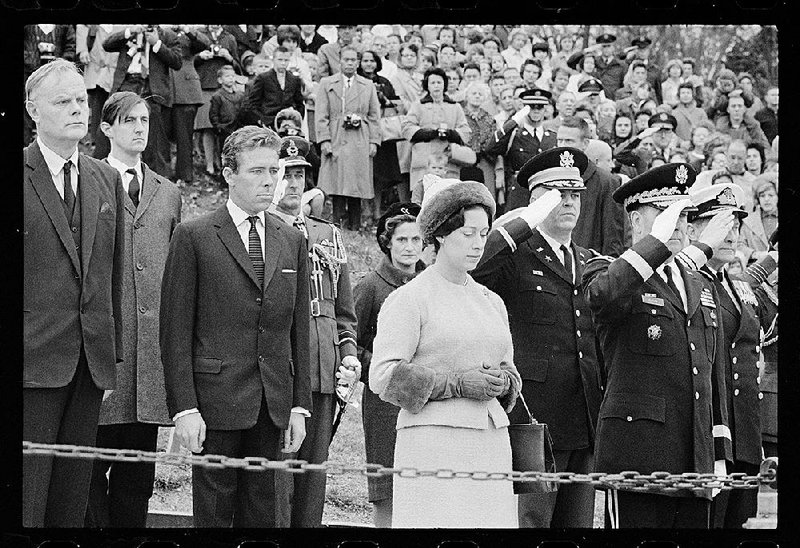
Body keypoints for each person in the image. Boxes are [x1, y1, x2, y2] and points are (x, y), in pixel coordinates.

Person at [159, 126, 312, 527]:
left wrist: (298, 405)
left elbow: (298, 329)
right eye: (257, 171)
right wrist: (185, 409)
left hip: (272, 404)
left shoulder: (291, 239)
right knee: (212, 517)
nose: (269, 181)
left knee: (263, 516)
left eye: (273, 171)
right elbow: (174, 331)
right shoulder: (194, 236)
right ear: (228, 173)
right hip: (214, 403)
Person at [582, 163, 734, 528]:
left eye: (683, 215)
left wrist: (717, 453)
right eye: (666, 214)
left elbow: (710, 375)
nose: (678, 224)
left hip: (693, 458)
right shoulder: (609, 269)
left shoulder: (697, 283)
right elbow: (601, 296)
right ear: (636, 222)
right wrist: (655, 244)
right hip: (639, 454)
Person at [369, 181, 522, 528]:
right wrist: (455, 385)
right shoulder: (411, 298)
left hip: (491, 442)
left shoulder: (491, 301)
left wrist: (504, 382)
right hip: (433, 444)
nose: (478, 243)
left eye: (483, 233)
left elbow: (509, 367)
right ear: (440, 234)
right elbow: (383, 377)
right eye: (468, 233)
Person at [472, 148, 603, 528]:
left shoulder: (585, 258)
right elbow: (476, 268)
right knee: (530, 521)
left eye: (575, 194)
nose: (569, 202)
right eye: (557, 194)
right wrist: (523, 223)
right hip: (533, 415)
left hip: (582, 415)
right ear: (536, 200)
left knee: (576, 524)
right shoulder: (516, 253)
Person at [23, 60, 126, 527]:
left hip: (89, 365)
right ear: (32, 111)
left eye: (81, 100)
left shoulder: (105, 178)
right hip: (29, 365)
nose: (76, 109)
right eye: (62, 102)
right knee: (26, 497)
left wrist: (111, 355)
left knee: (70, 502)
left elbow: (112, 272)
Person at [85, 91, 182, 527]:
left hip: (148, 364)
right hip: (102, 355)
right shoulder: (89, 180)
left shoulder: (168, 192)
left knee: (136, 481)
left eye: (144, 120)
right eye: (128, 121)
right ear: (106, 129)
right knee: (86, 477)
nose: (140, 128)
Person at [269, 136, 360, 528]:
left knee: (312, 476)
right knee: (276, 476)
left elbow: (343, 312)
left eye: (300, 175)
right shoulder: (263, 229)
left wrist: (349, 354)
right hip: (279, 367)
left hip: (322, 367)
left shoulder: (327, 235)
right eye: (285, 174)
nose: (293, 183)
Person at [685, 182, 777, 529]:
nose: (730, 233)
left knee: (741, 521)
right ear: (694, 229)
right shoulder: (690, 282)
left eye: (735, 224)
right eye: (719, 222)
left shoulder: (738, 287)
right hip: (712, 432)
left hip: (747, 434)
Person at [354, 202, 425, 527]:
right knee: (388, 488)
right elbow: (348, 339)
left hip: (427, 400)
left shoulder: (431, 283)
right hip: (384, 402)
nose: (409, 247)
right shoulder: (371, 286)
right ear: (387, 242)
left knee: (423, 484)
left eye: (416, 239)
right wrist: (384, 373)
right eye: (401, 240)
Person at [103, 25, 182, 178]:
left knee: (155, 143)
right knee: (118, 135)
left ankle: (157, 186)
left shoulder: (168, 35)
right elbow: (107, 44)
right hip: (127, 85)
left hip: (152, 90)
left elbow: (177, 62)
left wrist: (157, 44)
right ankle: (114, 179)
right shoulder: (130, 31)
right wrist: (129, 32)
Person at [316, 46, 382, 230]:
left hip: (359, 137)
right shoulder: (327, 83)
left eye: (354, 60)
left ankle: (355, 223)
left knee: (356, 181)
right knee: (336, 181)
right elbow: (321, 115)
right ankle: (337, 222)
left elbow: (375, 115)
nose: (350, 63)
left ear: (358, 63)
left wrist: (374, 141)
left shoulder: (367, 85)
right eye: (346, 59)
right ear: (340, 61)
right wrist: (325, 140)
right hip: (336, 135)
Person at [556, 116, 626, 257]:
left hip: (589, 267)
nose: (562, 146)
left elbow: (612, 237)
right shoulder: (548, 176)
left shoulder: (606, 182)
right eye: (559, 140)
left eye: (569, 141)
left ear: (585, 143)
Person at [485, 89, 557, 211]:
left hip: (545, 193)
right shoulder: (514, 134)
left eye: (539, 107)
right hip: (519, 194)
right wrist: (513, 121)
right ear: (524, 109)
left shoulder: (552, 137)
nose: (535, 110)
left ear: (545, 109)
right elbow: (491, 148)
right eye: (531, 107)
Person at [402, 67, 471, 190]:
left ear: (444, 84)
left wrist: (451, 134)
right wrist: (430, 133)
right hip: (423, 159)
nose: (436, 86)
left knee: (448, 196)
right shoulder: (418, 105)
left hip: (448, 160)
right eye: (432, 83)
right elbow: (407, 128)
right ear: (427, 86)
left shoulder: (455, 107)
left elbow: (465, 131)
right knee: (422, 196)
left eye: (439, 82)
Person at [359, 49, 403, 219]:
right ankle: (365, 210)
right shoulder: (356, 81)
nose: (369, 64)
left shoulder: (384, 82)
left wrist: (383, 97)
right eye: (365, 60)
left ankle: (377, 210)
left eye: (372, 61)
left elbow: (397, 105)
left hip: (383, 134)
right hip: (362, 130)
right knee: (363, 173)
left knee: (379, 175)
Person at [193, 24, 239, 177]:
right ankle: (209, 164)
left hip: (225, 89)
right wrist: (200, 56)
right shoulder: (199, 35)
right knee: (208, 126)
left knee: (224, 127)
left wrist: (228, 57)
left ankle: (222, 162)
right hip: (205, 85)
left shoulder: (229, 38)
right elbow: (187, 61)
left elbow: (238, 68)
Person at [166, 25, 209, 184]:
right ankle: (162, 173)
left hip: (187, 91)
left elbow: (204, 43)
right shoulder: (161, 32)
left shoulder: (189, 34)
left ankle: (184, 175)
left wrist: (188, 30)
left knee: (184, 137)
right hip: (164, 87)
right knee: (162, 135)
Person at [76, 24, 120, 160]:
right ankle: (94, 141)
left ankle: (110, 144)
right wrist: (82, 49)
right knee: (96, 105)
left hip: (116, 69)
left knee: (113, 106)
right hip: (95, 66)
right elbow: (82, 26)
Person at [243, 46, 305, 129]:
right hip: (268, 123)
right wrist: (261, 120)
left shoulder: (294, 79)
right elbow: (252, 103)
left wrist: (297, 120)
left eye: (286, 60)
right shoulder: (263, 78)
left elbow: (299, 102)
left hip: (289, 124)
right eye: (280, 60)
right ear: (273, 60)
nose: (283, 63)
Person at [462, 81, 499, 192]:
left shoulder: (489, 118)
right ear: (467, 96)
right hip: (463, 161)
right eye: (474, 93)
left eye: (480, 94)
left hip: (485, 161)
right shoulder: (460, 115)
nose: (477, 96)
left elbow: (493, 140)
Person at [738, 178, 778, 266]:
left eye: (771, 195)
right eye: (762, 196)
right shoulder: (749, 221)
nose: (766, 199)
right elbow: (739, 245)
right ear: (758, 199)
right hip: (756, 268)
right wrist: (754, 254)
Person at [209, 65, 245, 147]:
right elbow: (213, 114)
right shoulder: (217, 96)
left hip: (238, 128)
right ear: (220, 80)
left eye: (232, 76)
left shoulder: (240, 95)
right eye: (227, 76)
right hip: (224, 130)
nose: (230, 78)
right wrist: (219, 127)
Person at [594, 34, 626, 100]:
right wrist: (589, 49)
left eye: (608, 46)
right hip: (597, 100)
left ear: (613, 47)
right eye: (604, 46)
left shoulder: (621, 65)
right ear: (600, 47)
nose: (606, 49)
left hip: (614, 101)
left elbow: (624, 86)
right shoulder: (594, 62)